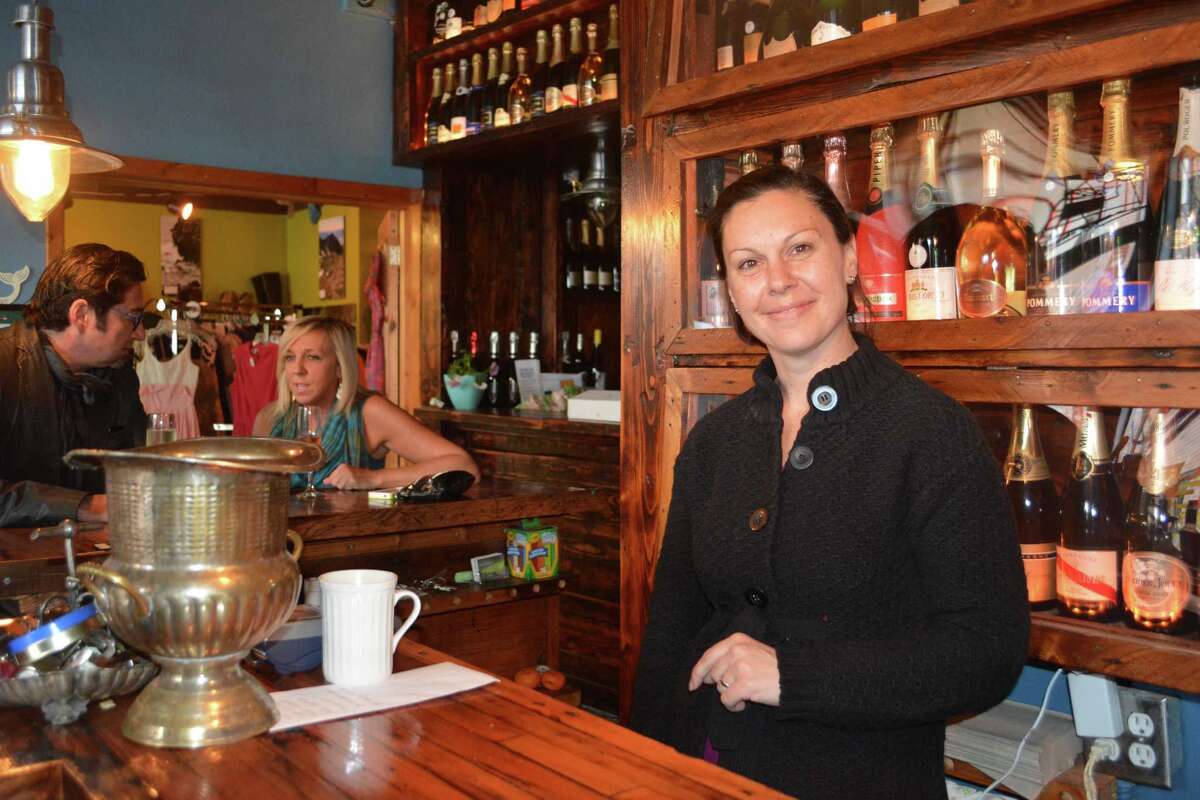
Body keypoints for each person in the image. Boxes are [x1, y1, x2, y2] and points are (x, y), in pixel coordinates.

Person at [630, 166, 1029, 799]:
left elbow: (986, 651)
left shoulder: (931, 432)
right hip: (708, 769)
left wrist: (793, 676)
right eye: (749, 263)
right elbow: (670, 637)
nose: (778, 281)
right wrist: (641, 772)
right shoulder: (714, 442)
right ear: (731, 291)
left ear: (847, 258)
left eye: (799, 248)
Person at [0, 244, 148, 527]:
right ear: (81, 314)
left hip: (95, 551)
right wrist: (85, 506)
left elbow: (137, 466)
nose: (140, 333)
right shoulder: (5, 366)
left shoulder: (120, 376)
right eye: (133, 318)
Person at [253, 316, 479, 490]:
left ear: (340, 367)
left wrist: (373, 478)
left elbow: (464, 466)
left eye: (313, 357)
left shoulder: (367, 412)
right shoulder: (270, 419)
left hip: (350, 536)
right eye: (290, 357)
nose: (297, 369)